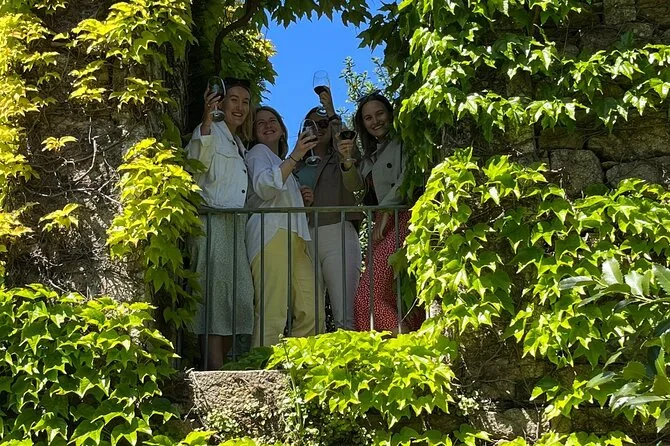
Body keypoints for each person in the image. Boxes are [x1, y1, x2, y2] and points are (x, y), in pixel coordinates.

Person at [185, 78, 255, 370]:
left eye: (245, 102)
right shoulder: (211, 130)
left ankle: (221, 365)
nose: (240, 107)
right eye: (234, 100)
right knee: (214, 296)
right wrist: (206, 118)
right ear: (221, 102)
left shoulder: (239, 143)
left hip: (234, 226)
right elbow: (194, 163)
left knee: (236, 297)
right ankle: (213, 369)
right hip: (212, 222)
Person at [245, 105, 324, 347]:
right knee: (273, 309)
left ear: (281, 129)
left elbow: (277, 192)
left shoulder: (281, 162)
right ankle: (260, 364)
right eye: (260, 123)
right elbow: (265, 188)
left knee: (312, 308)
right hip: (271, 233)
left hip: (296, 237)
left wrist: (301, 199)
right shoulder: (257, 153)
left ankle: (299, 361)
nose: (267, 125)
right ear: (253, 132)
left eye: (272, 121)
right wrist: (296, 155)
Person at [351, 91, 423, 333]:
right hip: (385, 224)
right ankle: (402, 342)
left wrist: (385, 213)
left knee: (368, 296)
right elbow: (354, 185)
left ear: (391, 114)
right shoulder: (372, 155)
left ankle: (403, 346)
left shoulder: (404, 142)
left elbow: (406, 179)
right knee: (390, 293)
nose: (375, 121)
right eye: (368, 118)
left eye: (380, 113)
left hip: (405, 218)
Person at [293, 89, 363, 331]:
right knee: (310, 314)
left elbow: (350, 151)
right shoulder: (295, 165)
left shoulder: (343, 156)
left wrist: (332, 114)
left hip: (338, 231)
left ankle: (353, 355)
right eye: (311, 125)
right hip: (304, 237)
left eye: (323, 123)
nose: (318, 128)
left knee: (345, 312)